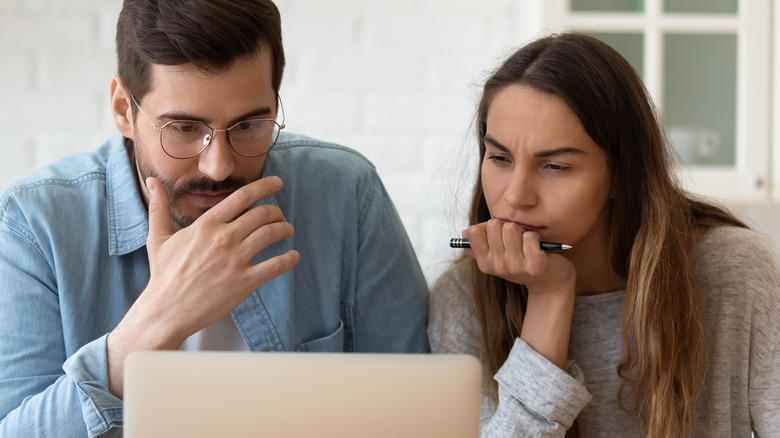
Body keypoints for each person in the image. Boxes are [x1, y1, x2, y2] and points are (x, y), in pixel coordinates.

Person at [0, 0, 429, 436]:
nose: (218, 167)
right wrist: (158, 319)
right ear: (122, 110)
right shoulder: (34, 224)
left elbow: (421, 410)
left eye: (248, 125)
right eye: (184, 129)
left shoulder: (347, 193)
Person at [428, 33, 780, 437]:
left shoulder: (733, 270)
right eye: (500, 158)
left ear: (620, 175)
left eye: (555, 166)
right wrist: (546, 298)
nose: (514, 195)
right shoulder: (464, 297)